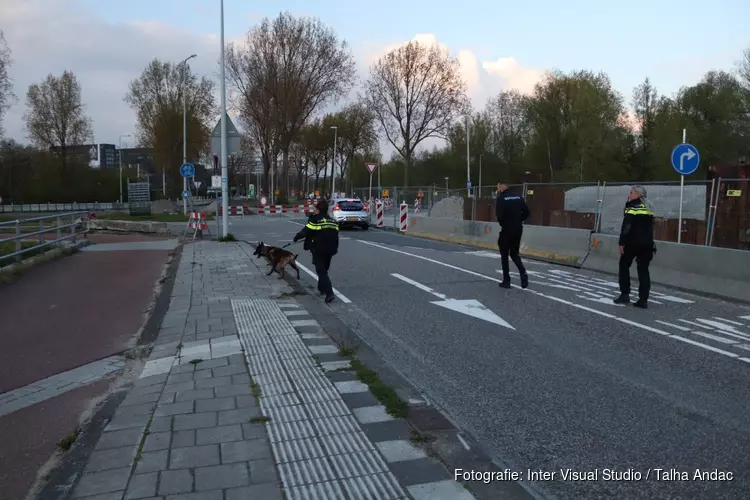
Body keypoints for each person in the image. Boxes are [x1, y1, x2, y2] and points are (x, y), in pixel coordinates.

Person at [613, 185, 656, 308]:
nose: (629, 195)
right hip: (647, 243)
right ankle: (643, 300)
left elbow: (627, 226)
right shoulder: (649, 207)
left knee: (624, 265)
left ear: (638, 194)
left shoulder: (631, 206)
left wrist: (622, 242)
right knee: (643, 270)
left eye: (631, 193)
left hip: (633, 242)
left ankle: (625, 294)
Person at [293, 198, 340, 303]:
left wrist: (296, 237)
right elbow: (336, 237)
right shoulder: (333, 222)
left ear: (318, 209)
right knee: (324, 270)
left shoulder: (315, 220)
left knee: (321, 271)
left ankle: (329, 293)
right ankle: (322, 288)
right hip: (331, 249)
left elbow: (306, 231)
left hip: (319, 249)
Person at [496, 183, 530, 289]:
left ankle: (506, 280)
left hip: (507, 229)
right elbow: (527, 212)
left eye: (498, 188)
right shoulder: (518, 197)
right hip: (518, 228)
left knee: (504, 253)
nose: (497, 190)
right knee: (514, 253)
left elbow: (499, 215)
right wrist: (518, 220)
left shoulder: (501, 199)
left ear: (501, 188)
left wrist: (504, 224)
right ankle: (522, 272)